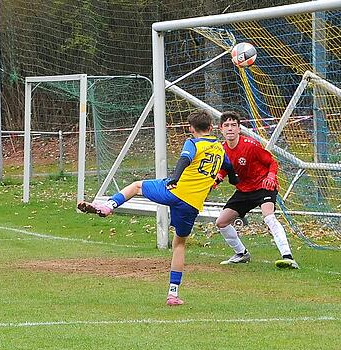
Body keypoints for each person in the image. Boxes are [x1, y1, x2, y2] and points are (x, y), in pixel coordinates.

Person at [78, 110, 238, 306]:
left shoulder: (193, 142)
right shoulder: (220, 149)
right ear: (212, 128)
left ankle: (108, 206)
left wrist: (174, 178)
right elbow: (230, 169)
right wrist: (233, 180)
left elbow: (185, 159)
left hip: (174, 190)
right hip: (192, 204)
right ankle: (173, 294)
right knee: (179, 245)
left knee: (137, 186)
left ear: (190, 128)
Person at [214, 111, 299, 269]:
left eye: (234, 125)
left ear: (239, 129)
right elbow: (225, 169)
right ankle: (241, 253)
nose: (230, 129)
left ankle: (288, 257)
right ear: (221, 129)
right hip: (244, 190)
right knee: (222, 222)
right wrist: (214, 182)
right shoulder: (222, 150)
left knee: (269, 217)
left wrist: (271, 177)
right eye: (226, 125)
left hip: (263, 185)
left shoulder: (250, 145)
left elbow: (272, 163)